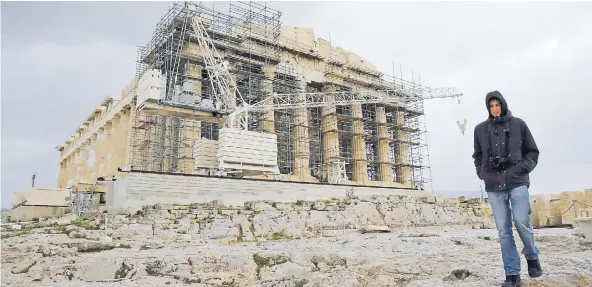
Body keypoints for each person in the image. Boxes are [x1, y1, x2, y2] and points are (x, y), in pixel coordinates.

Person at [472, 91, 542, 287]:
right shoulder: (479, 129)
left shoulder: (519, 124)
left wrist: (522, 169)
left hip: (517, 181)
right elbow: (477, 155)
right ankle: (512, 274)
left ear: (503, 105)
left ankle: (531, 256)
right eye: (491, 106)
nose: (495, 109)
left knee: (521, 221)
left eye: (497, 105)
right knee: (503, 230)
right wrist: (482, 173)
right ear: (488, 108)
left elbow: (532, 151)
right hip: (494, 185)